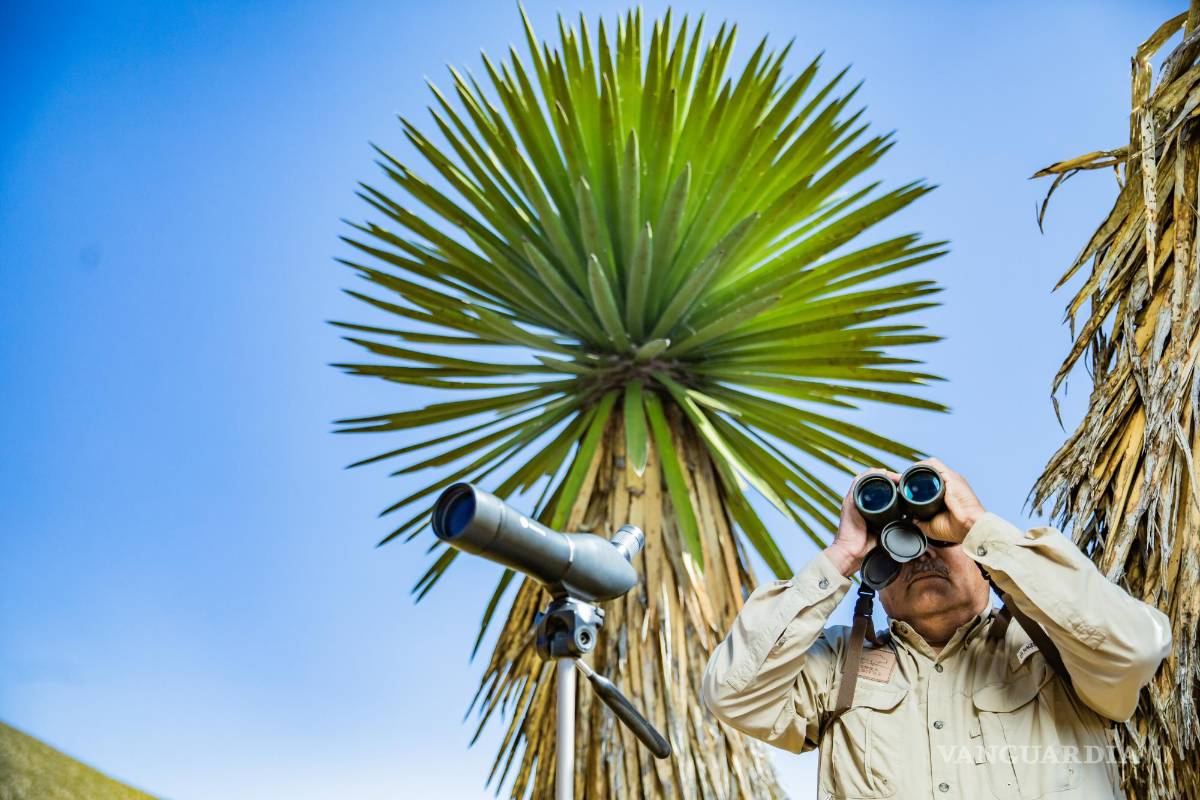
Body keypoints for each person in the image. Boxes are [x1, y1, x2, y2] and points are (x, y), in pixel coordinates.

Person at [701, 458, 1171, 799]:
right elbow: (732, 693)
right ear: (878, 579)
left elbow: (1134, 650)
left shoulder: (1052, 647)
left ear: (982, 561)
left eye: (941, 542)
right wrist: (843, 553)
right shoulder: (837, 667)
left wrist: (975, 524)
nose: (922, 554)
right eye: (902, 546)